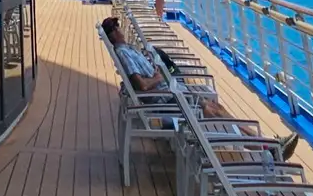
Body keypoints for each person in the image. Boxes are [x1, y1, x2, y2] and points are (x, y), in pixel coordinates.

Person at [99, 17, 300, 156]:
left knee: (216, 108)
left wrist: (155, 69)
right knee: (214, 112)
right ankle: (268, 148)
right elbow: (142, 85)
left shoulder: (126, 49)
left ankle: (267, 145)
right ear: (113, 35)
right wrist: (159, 76)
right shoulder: (124, 53)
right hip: (166, 99)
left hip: (170, 93)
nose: (120, 30)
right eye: (116, 28)